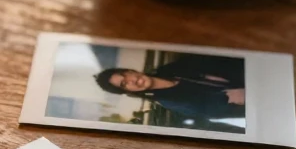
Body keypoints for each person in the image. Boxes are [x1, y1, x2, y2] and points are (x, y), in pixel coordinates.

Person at [94, 53, 246, 123]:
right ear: (128, 91)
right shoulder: (171, 101)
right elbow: (216, 111)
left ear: (131, 71)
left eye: (125, 75)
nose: (132, 80)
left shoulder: (173, 68)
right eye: (124, 84)